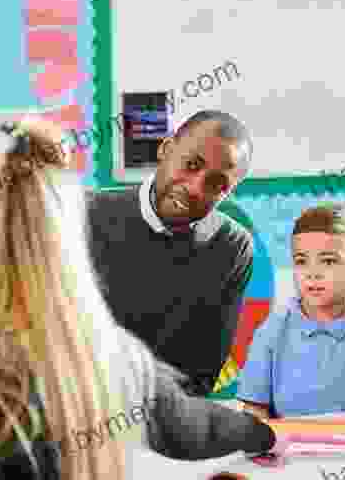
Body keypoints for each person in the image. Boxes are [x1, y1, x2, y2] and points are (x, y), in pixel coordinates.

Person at [0, 117, 279, 479]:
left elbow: (195, 397)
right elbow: (192, 425)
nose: (194, 187)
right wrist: (262, 433)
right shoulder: (104, 359)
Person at [86, 110, 254, 396]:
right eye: (191, 165)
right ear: (165, 150)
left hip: (164, 421)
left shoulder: (231, 247)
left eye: (216, 184)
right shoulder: (86, 215)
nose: (194, 187)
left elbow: (202, 374)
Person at [237, 205, 345, 418]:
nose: (312, 273)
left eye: (328, 261)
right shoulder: (270, 332)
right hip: (285, 450)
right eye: (301, 261)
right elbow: (254, 414)